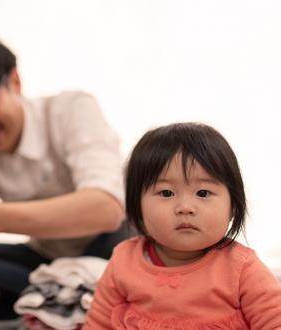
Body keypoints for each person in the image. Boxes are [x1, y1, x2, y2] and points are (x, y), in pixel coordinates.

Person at [0, 34, 130, 328]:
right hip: (46, 257)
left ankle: (57, 298)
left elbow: (107, 208)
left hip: (110, 248)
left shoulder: (70, 110)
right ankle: (58, 298)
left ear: (15, 82)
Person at [83, 122, 281, 329]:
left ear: (233, 205)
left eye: (203, 193)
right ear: (136, 204)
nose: (185, 208)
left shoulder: (242, 268)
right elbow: (98, 324)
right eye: (166, 193)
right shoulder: (124, 261)